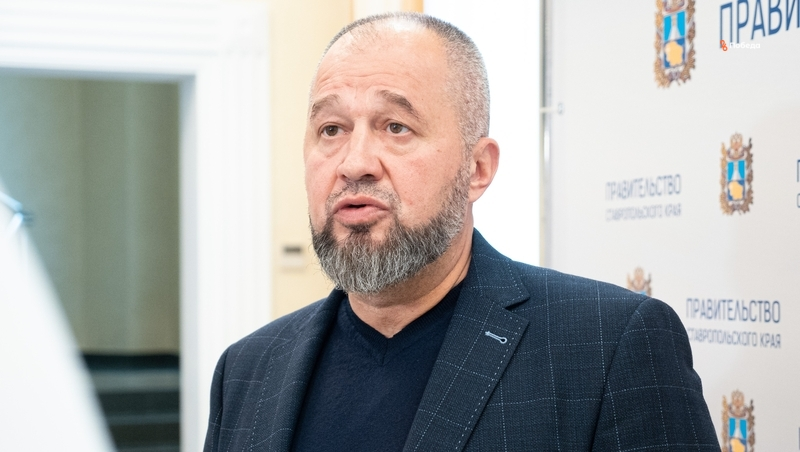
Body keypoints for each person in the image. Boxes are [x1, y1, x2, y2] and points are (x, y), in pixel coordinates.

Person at [204, 12, 719, 452]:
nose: (354, 163)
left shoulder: (609, 346)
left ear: (477, 169)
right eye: (331, 130)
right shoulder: (247, 371)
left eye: (395, 127)